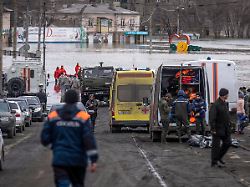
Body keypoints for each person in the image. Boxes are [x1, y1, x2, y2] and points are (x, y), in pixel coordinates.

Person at [41, 89, 98, 187]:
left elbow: (45, 138)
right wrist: (93, 160)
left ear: (64, 99)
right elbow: (88, 139)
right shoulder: (83, 117)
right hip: (78, 160)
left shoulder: (53, 116)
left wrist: (55, 146)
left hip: (60, 159)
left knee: (62, 183)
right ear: (77, 100)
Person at [210, 88, 231, 168]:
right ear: (224, 95)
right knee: (216, 146)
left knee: (228, 142)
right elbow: (212, 118)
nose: (228, 95)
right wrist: (213, 129)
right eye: (227, 94)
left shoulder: (225, 103)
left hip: (225, 128)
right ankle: (214, 162)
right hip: (217, 128)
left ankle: (219, 157)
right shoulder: (216, 105)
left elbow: (226, 115)